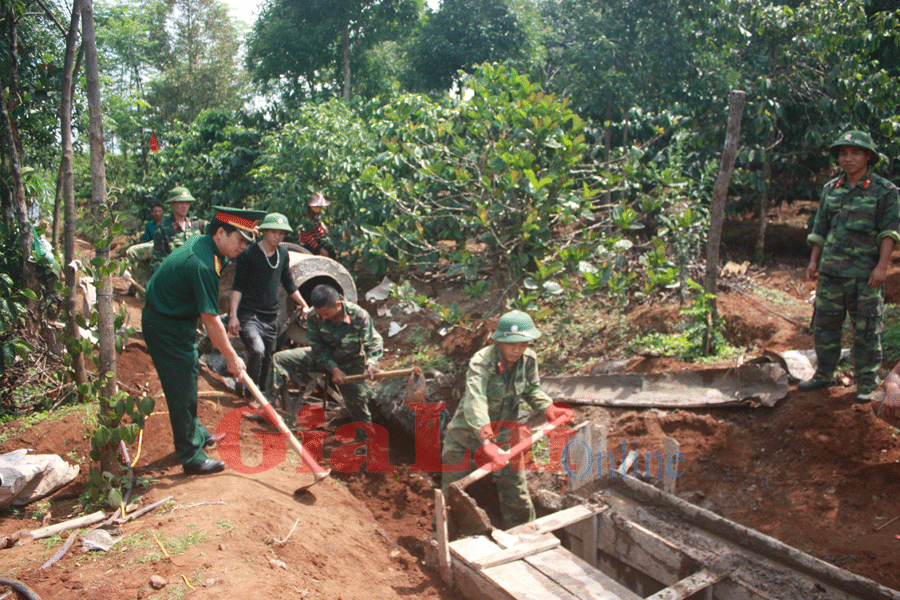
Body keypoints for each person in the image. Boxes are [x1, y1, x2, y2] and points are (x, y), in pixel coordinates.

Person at [142, 206, 265, 476]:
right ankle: (191, 456)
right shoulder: (203, 264)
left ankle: (196, 432)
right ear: (221, 233)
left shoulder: (204, 244)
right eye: (240, 240)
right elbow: (211, 321)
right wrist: (233, 359)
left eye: (247, 242)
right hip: (165, 325)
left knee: (189, 375)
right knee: (181, 386)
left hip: (177, 319)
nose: (243, 247)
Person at [440, 310, 570, 528]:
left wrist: (549, 407)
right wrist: (486, 442)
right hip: (464, 440)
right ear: (498, 340)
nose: (517, 350)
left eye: (523, 344)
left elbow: (532, 389)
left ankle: (526, 536)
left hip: (504, 440)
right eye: (511, 344)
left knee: (516, 492)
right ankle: (442, 544)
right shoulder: (482, 362)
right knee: (450, 497)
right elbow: (476, 400)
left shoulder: (528, 360)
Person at [799, 130, 900, 403]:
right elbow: (820, 228)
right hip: (831, 272)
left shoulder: (885, 191)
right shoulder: (831, 189)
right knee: (824, 326)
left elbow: (889, 232)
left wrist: (882, 267)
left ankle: (867, 382)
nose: (848, 158)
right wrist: (813, 261)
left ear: (868, 156)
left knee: (867, 329)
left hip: (864, 275)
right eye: (843, 153)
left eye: (855, 152)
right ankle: (824, 375)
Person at [268, 284, 382, 426]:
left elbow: (373, 341)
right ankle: (268, 408)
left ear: (338, 304)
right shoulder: (313, 315)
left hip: (350, 364)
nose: (323, 317)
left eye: (326, 313)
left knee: (358, 406)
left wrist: (372, 363)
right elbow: (316, 348)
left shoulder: (358, 315)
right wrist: (333, 369)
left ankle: (367, 444)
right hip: (323, 359)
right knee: (280, 359)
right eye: (320, 313)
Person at [228, 213, 309, 393]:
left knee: (268, 359)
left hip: (271, 316)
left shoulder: (283, 254)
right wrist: (233, 316)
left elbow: (289, 283)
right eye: (273, 232)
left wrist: (303, 304)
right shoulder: (248, 254)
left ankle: (260, 392)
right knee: (257, 350)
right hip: (250, 314)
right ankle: (250, 393)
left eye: (281, 233)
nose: (277, 237)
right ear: (264, 232)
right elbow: (238, 287)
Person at [151, 186, 207, 271]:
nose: (185, 206)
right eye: (181, 203)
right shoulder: (163, 229)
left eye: (187, 203)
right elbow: (158, 262)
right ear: (172, 204)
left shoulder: (197, 225)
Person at [124, 199, 166, 293]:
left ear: (163, 211)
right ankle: (133, 290)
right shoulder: (149, 225)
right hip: (150, 249)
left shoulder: (168, 223)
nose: (158, 213)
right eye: (155, 211)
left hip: (163, 251)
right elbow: (146, 240)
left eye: (160, 211)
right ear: (152, 212)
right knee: (138, 264)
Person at [297, 192, 335, 258]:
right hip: (309, 244)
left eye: (320, 206)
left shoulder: (315, 214)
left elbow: (317, 221)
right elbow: (307, 237)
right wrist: (319, 249)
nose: (319, 208)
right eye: (317, 206)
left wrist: (321, 224)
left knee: (331, 252)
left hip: (317, 239)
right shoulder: (305, 219)